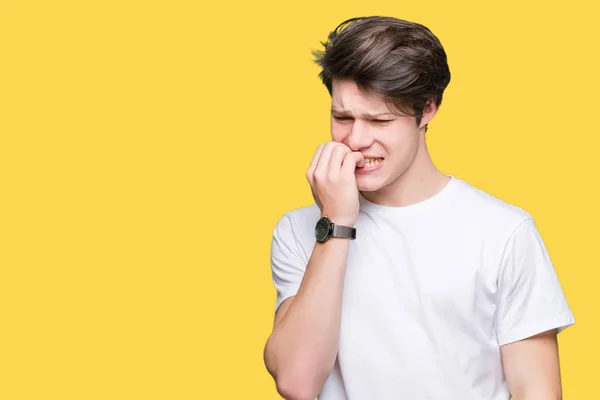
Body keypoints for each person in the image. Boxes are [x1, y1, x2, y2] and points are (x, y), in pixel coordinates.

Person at [262, 16, 575, 400]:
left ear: (426, 111)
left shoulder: (503, 233)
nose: (356, 139)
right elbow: (296, 382)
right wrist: (336, 222)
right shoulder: (301, 230)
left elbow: (537, 391)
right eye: (342, 117)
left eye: (379, 120)